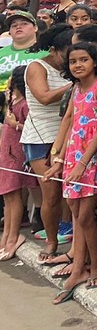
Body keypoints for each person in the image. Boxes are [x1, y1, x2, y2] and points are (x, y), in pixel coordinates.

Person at [45, 41, 97, 303]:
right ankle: (82, 265)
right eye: (74, 61)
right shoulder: (76, 88)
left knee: (85, 216)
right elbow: (72, 122)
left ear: (94, 61)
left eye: (84, 60)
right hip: (75, 155)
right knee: (75, 211)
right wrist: (59, 159)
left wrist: (84, 162)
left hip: (95, 157)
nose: (78, 65)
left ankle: (95, 266)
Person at [22, 24, 74, 265]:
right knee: (51, 193)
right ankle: (51, 240)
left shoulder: (69, 68)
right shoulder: (37, 66)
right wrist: (74, 83)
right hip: (40, 135)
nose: (71, 59)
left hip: (66, 133)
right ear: (55, 50)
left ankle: (64, 231)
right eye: (68, 54)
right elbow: (42, 97)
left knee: (68, 193)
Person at [0, 66, 35, 261]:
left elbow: (30, 128)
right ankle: (6, 235)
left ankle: (14, 236)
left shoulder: (25, 105)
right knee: (7, 196)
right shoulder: (13, 103)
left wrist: (15, 125)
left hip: (15, 154)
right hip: (6, 154)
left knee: (14, 195)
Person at [0, 9, 42, 93]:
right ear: (9, 31)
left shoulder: (46, 52)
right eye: (14, 25)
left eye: (24, 24)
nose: (18, 27)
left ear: (35, 28)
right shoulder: (1, 53)